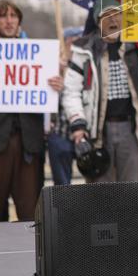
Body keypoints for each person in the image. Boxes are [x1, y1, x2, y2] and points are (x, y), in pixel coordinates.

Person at [62, 0, 138, 183]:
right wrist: (78, 124)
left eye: (117, 14)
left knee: (134, 189)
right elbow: (71, 91)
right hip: (98, 131)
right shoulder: (84, 51)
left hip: (133, 128)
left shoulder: (137, 46)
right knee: (102, 193)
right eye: (106, 16)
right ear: (98, 22)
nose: (113, 20)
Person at [0, 0, 62, 221]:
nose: (9, 21)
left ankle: (31, 255)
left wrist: (56, 86)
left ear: (19, 22)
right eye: (3, 16)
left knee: (30, 211)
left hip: (28, 143)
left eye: (13, 16)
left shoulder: (37, 55)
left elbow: (48, 94)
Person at [47, 25, 84, 186]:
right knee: (62, 185)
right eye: (73, 42)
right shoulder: (52, 66)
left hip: (83, 133)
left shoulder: (87, 64)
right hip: (60, 132)